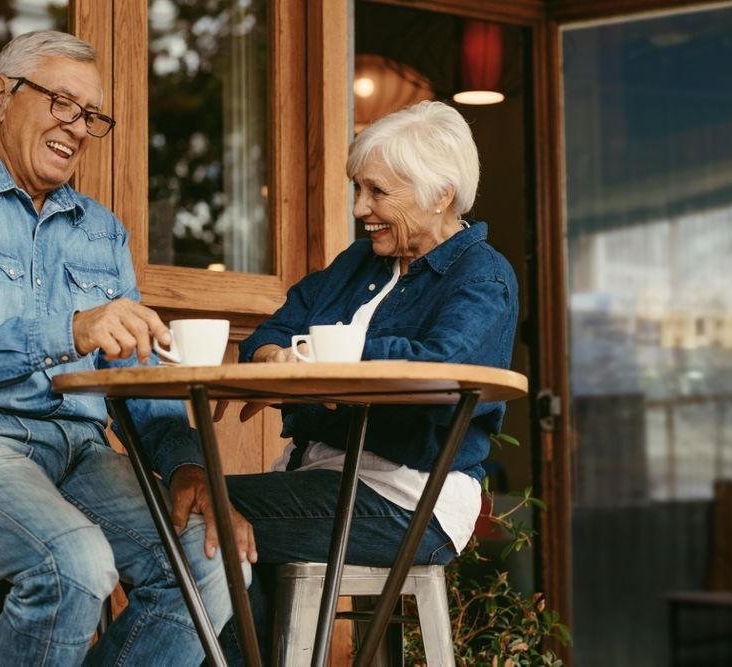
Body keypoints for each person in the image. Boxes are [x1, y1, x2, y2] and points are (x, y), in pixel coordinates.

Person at [0, 30, 255, 666]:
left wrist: (188, 468)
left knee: (213, 562)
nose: (77, 126)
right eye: (62, 103)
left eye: (92, 115)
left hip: (78, 454)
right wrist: (67, 330)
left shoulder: (102, 233)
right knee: (75, 563)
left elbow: (141, 389)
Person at [218, 100, 519, 643]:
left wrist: (329, 357)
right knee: (204, 518)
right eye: (358, 189)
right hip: (318, 481)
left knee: (201, 511)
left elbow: (440, 366)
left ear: (440, 194)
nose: (361, 208)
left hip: (409, 501)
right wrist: (274, 359)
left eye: (377, 191)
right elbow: (269, 333)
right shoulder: (356, 264)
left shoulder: (482, 276)